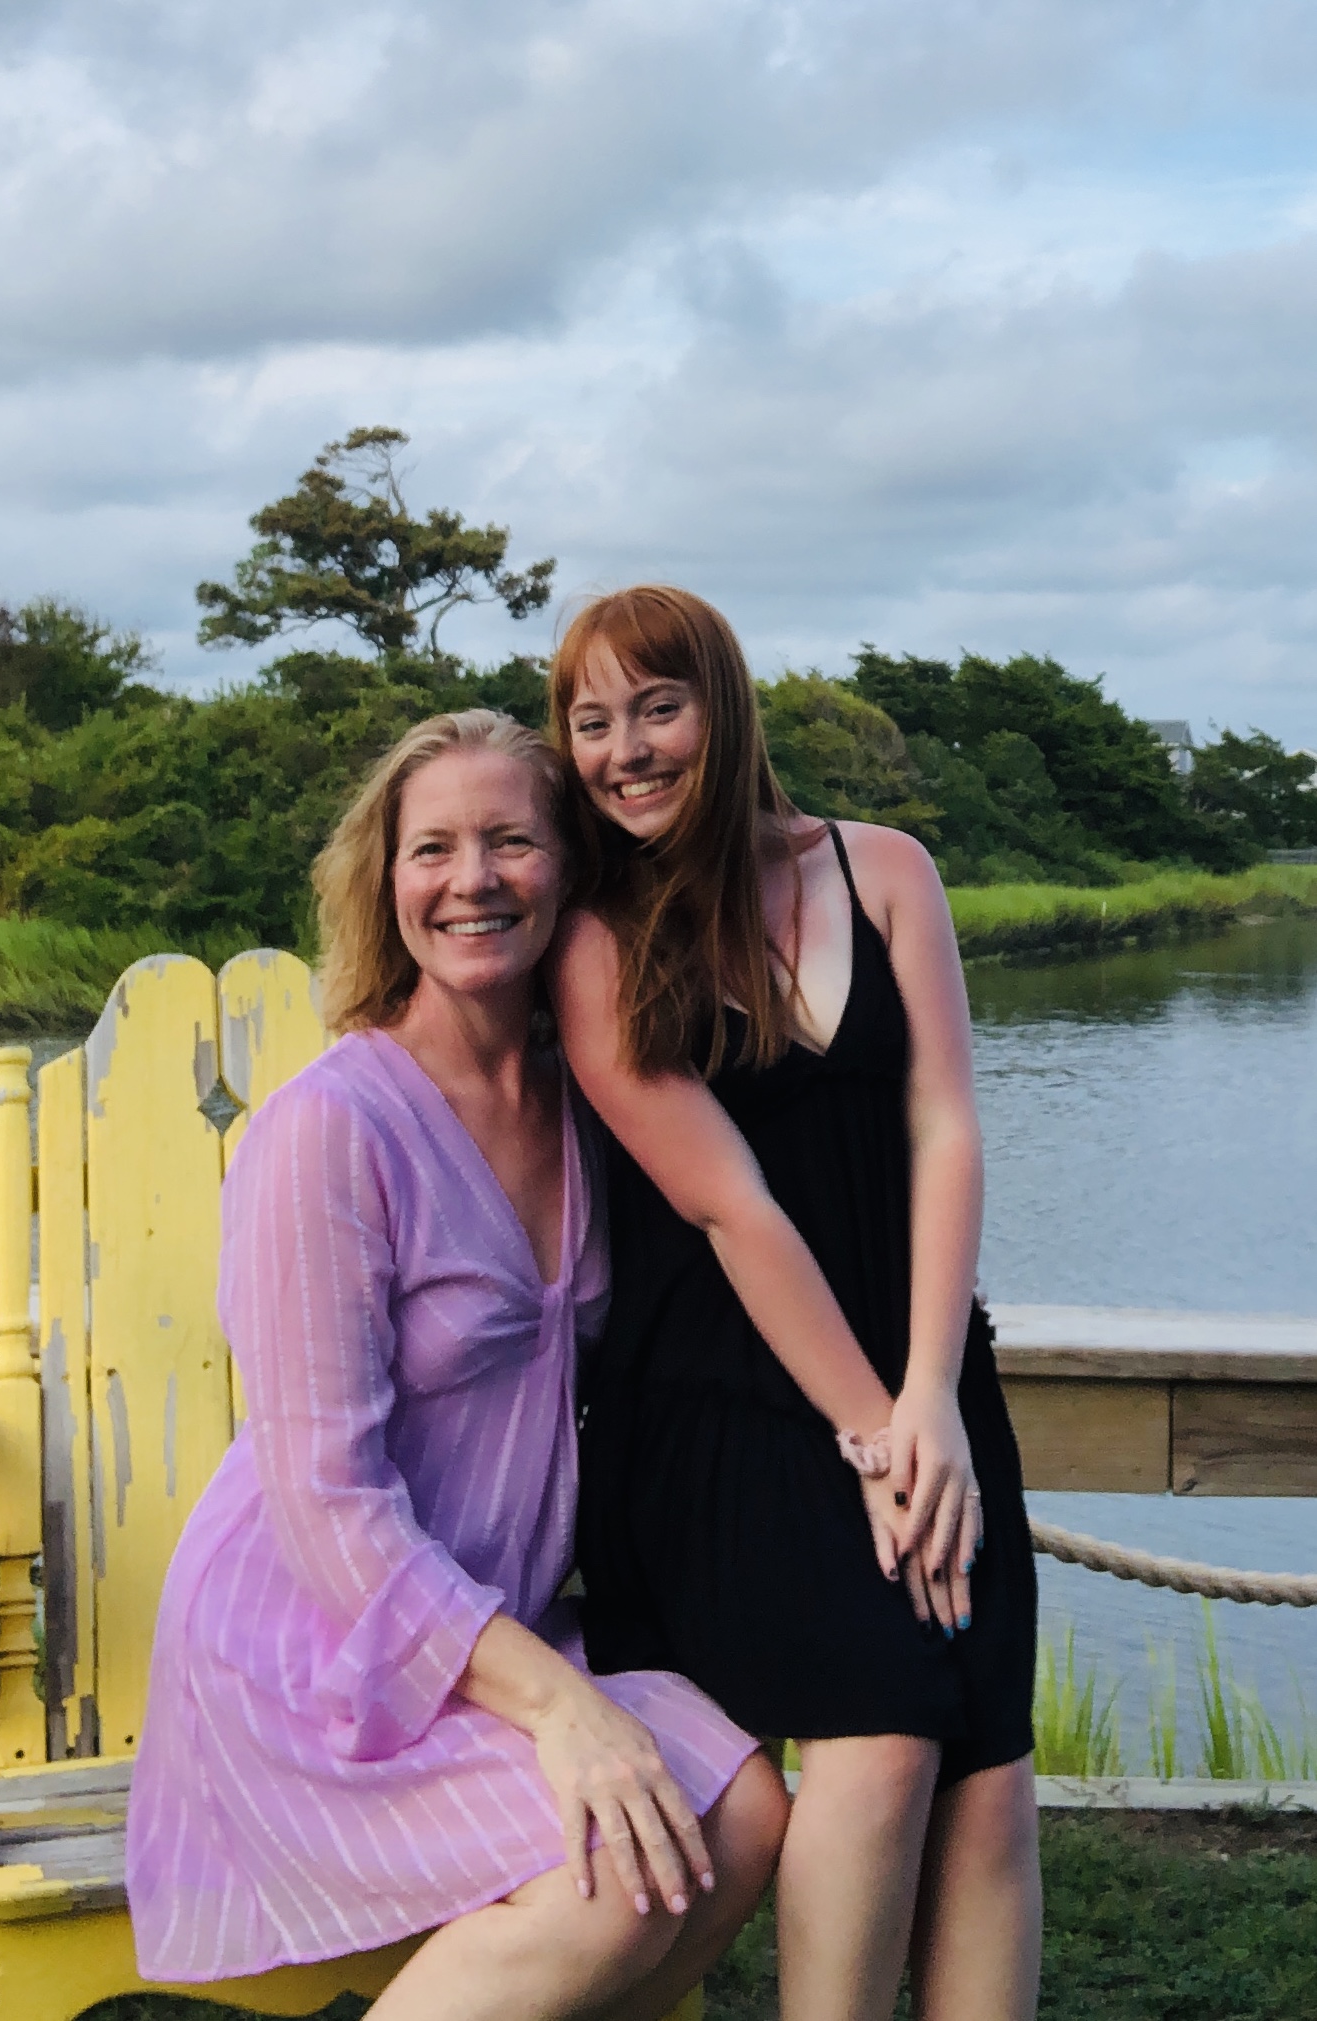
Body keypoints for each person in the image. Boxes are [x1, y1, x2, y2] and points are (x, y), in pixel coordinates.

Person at [126, 708, 786, 2021]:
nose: (471, 878)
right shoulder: (331, 1130)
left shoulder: (588, 1098)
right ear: (387, 882)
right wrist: (562, 1712)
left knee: (749, 1811)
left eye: (511, 841)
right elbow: (327, 1504)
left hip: (496, 1630)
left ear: (571, 867)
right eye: (431, 848)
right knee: (614, 1870)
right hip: (314, 1659)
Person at [547, 590, 1041, 2021]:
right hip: (727, 1409)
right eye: (592, 723)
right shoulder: (599, 941)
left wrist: (933, 1396)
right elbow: (731, 1207)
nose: (627, 751)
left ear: (726, 705)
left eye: (658, 708)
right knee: (883, 1742)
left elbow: (944, 1123)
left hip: (928, 1373)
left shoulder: (884, 869)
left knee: (991, 1773)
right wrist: (879, 1439)